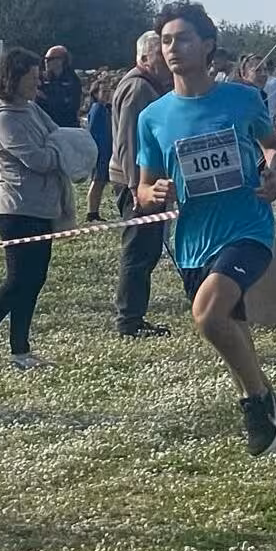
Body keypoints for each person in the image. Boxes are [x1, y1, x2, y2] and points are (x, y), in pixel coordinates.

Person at [134, 0, 276, 498]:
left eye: (183, 39)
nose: (173, 49)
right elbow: (142, 189)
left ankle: (256, 405)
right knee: (239, 349)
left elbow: (274, 146)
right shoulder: (153, 117)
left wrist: (275, 174)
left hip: (247, 230)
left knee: (207, 316)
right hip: (193, 243)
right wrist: (153, 194)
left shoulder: (241, 100)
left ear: (207, 45)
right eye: (166, 41)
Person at [0, 49, 68, 372]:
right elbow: (38, 159)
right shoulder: (3, 118)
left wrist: (57, 147)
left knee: (35, 279)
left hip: (42, 206)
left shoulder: (32, 110)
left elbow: (58, 135)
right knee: (17, 280)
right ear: (14, 77)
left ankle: (20, 350)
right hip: (16, 209)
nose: (37, 82)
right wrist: (58, 151)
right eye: (32, 77)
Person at [109, 30, 173, 338]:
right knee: (138, 251)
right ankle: (128, 321)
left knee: (147, 250)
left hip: (146, 181)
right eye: (160, 55)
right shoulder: (138, 89)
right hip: (136, 183)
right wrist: (137, 187)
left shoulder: (149, 86)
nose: (167, 61)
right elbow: (128, 143)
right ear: (144, 58)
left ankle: (134, 316)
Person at [85, 77, 113, 222]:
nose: (107, 94)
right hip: (99, 151)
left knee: (101, 182)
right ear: (95, 93)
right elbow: (92, 132)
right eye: (104, 91)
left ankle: (95, 212)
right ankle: (91, 213)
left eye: (109, 91)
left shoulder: (106, 109)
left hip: (106, 151)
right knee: (97, 181)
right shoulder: (97, 109)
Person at [36, 45, 82, 129]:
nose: (46, 62)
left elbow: (69, 107)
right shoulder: (41, 78)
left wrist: (45, 98)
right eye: (45, 59)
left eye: (50, 59)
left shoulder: (72, 80)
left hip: (66, 127)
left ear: (61, 60)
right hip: (45, 127)